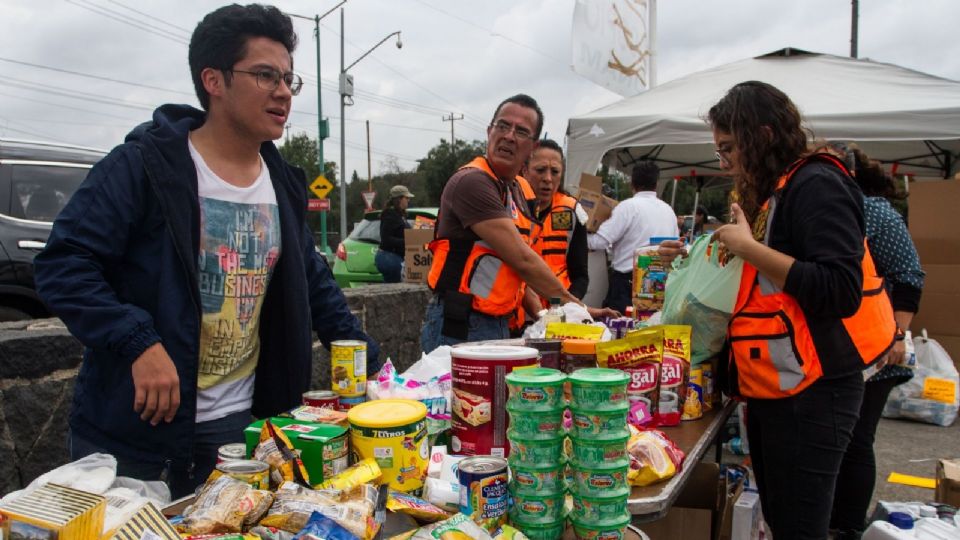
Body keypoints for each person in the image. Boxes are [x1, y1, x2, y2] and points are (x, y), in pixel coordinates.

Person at [33, 4, 380, 498]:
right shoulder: (144, 167)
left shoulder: (281, 182)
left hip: (242, 428)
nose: (283, 91)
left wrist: (377, 374)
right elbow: (64, 264)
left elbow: (316, 287)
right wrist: (139, 341)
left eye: (288, 78)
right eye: (265, 75)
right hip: (137, 431)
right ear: (213, 81)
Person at [708, 81, 895, 540]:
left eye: (730, 148)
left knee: (799, 527)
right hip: (782, 387)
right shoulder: (780, 191)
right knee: (783, 519)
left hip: (817, 391)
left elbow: (839, 288)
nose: (725, 161)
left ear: (764, 136)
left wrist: (750, 250)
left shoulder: (817, 184)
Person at [421, 94, 614, 352]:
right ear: (489, 131)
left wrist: (550, 315)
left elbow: (516, 278)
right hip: (459, 324)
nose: (509, 136)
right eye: (503, 126)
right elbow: (523, 261)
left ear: (532, 147)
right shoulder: (473, 182)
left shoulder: (516, 191)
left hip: (497, 321)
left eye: (521, 131)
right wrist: (575, 308)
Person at [826, 142, 925, 540]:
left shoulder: (875, 212)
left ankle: (847, 525)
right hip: (847, 347)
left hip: (879, 347)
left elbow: (909, 277)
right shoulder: (832, 210)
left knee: (856, 439)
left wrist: (897, 335)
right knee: (841, 439)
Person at [586, 161, 679, 313]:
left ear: (632, 183)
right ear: (655, 184)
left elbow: (600, 242)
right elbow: (674, 248)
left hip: (629, 284)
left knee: (622, 329)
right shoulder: (669, 211)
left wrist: (576, 239)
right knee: (650, 329)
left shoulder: (628, 207)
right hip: (660, 283)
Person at [525, 139, 589, 304]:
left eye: (554, 172)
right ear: (524, 171)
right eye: (540, 170)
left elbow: (580, 275)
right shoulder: (508, 208)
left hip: (556, 313)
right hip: (513, 314)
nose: (547, 178)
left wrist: (569, 304)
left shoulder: (572, 212)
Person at [376, 185, 414, 283]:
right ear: (399, 199)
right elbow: (386, 239)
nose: (408, 200)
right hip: (390, 258)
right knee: (393, 290)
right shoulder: (390, 214)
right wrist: (407, 242)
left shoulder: (399, 214)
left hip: (394, 257)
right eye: (406, 198)